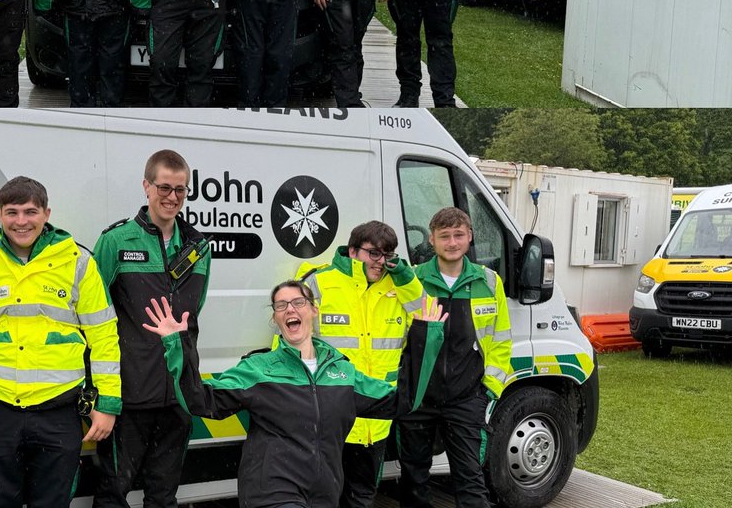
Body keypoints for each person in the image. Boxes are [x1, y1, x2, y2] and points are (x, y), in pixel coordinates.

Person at [143, 281, 444, 508]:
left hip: (324, 492)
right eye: (280, 305)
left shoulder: (342, 372)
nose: (290, 309)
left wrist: (424, 340)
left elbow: (401, 402)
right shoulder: (258, 368)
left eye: (298, 302)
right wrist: (177, 345)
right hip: (271, 491)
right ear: (276, 319)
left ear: (314, 310)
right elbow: (201, 400)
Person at [0, 176, 121, 508]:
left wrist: (107, 404)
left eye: (30, 212)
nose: (21, 222)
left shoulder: (77, 262)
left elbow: (104, 336)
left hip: (58, 412)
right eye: (12, 212)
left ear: (46, 213)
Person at [92, 151, 210, 508]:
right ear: (146, 186)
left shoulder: (198, 248)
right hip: (129, 396)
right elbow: (94, 317)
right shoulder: (116, 242)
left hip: (179, 395)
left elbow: (193, 314)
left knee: (164, 496)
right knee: (112, 494)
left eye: (181, 190)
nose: (172, 197)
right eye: (164, 187)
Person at [296, 222, 426, 508]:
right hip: (329, 417)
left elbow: (426, 315)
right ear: (353, 251)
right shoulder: (319, 282)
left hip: (374, 421)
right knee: (322, 496)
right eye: (374, 254)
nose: (382, 262)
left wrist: (404, 273)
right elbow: (292, 342)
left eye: (388, 255)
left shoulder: (399, 286)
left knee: (362, 496)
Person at [398, 208, 512, 508]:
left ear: (469, 237)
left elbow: (501, 341)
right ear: (432, 240)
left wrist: (488, 391)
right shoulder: (413, 280)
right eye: (444, 236)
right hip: (418, 400)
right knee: (413, 480)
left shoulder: (489, 281)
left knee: (470, 478)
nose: (452, 242)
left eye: (458, 235)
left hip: (466, 399)